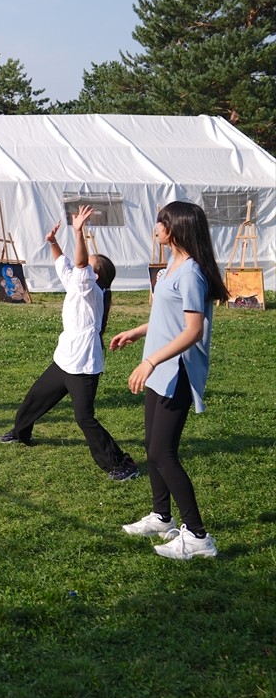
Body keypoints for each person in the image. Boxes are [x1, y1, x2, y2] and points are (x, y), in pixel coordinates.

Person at [110, 201, 229, 560]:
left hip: (175, 371)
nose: (156, 229)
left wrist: (151, 359)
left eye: (161, 223)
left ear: (176, 228)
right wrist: (138, 331)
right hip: (160, 370)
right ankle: (163, 518)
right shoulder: (171, 267)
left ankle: (198, 537)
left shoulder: (191, 272)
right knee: (152, 446)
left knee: (163, 452)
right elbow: (169, 318)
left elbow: (192, 331)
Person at [0, 206, 138, 481]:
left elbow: (81, 264)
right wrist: (52, 241)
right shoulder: (78, 282)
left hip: (84, 365)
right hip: (65, 359)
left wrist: (79, 231)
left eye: (87, 263)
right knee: (36, 397)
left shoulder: (90, 290)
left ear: (94, 275)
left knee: (84, 418)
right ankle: (20, 433)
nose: (81, 263)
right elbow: (64, 263)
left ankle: (121, 465)